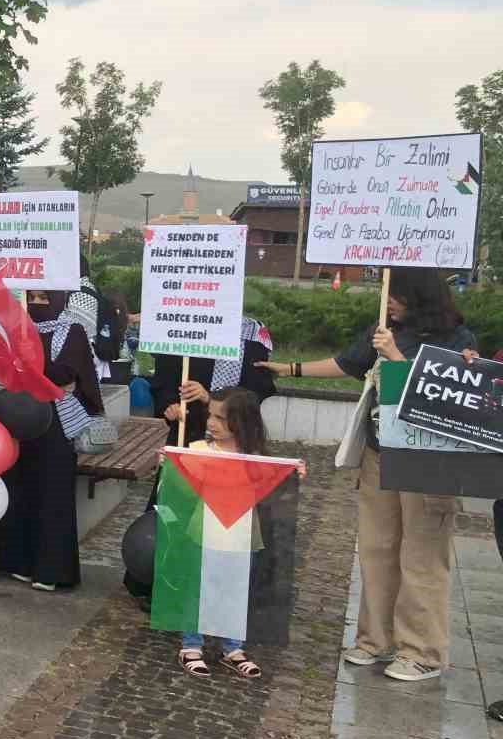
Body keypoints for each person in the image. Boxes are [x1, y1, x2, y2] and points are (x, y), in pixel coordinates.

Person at [262, 268, 474, 682]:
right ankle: (375, 640)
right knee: (377, 548)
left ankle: (423, 651)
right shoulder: (382, 328)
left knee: (422, 554)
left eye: (396, 294)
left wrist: (396, 356)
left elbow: (449, 396)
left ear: (420, 295)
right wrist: (290, 369)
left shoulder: (457, 339)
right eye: (386, 293)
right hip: (381, 452)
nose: (388, 301)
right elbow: (345, 363)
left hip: (429, 460)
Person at [173, 388, 297, 680]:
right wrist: (172, 462)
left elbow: (271, 482)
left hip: (241, 534)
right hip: (204, 530)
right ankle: (191, 645)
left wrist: (293, 472)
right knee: (199, 587)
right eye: (210, 415)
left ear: (241, 422)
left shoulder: (255, 458)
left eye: (221, 418)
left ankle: (232, 647)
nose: (212, 423)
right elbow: (181, 486)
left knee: (235, 589)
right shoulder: (198, 449)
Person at [0, 288, 103, 591]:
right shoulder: (17, 327)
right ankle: (19, 562)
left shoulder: (73, 330)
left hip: (57, 421)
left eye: (44, 299)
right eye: (32, 298)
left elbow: (67, 372)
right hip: (22, 418)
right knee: (20, 487)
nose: (37, 305)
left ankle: (51, 569)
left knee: (53, 493)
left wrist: (29, 365)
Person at [153, 316, 277, 445]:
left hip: (234, 441)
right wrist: (170, 406)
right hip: (185, 432)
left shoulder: (252, 334)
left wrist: (210, 399)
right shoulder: (182, 325)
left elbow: (255, 392)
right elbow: (164, 381)